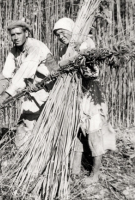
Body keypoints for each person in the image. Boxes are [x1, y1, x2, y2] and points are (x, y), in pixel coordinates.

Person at [53, 17, 116, 184]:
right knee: (78, 131)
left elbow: (91, 72)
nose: (60, 36)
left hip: (91, 93)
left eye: (62, 32)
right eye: (57, 35)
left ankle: (94, 175)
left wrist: (73, 64)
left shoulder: (86, 43)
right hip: (76, 94)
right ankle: (74, 171)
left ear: (71, 29)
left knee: (94, 132)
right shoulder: (63, 50)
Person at [0, 20, 58, 150]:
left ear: (26, 33)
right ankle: (25, 156)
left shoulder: (35, 47)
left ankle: (35, 158)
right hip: (34, 91)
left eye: (18, 33)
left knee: (38, 126)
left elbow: (20, 78)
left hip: (50, 90)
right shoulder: (15, 50)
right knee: (26, 125)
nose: (15, 37)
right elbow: (5, 75)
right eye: (12, 35)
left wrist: (1, 101)